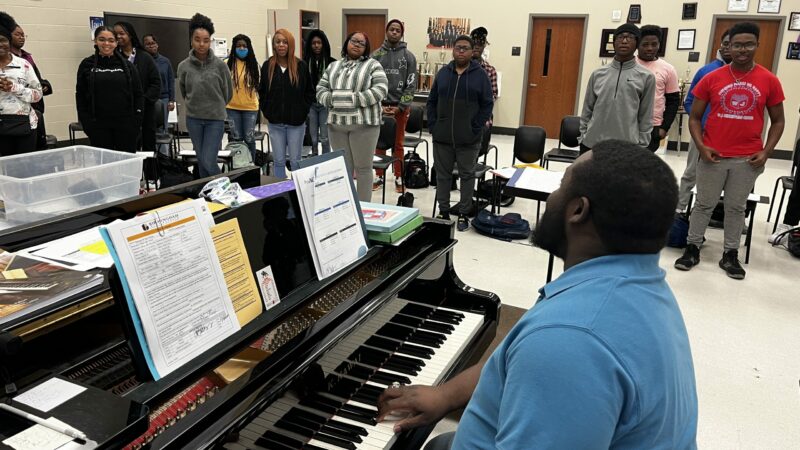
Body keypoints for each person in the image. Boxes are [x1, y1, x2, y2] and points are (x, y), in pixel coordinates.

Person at [377, 140, 698, 450]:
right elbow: (510, 357)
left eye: (561, 185)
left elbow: (555, 352)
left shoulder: (570, 338)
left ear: (577, 210)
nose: (553, 194)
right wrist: (445, 396)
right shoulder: (638, 286)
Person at [675, 22, 785, 279]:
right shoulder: (712, 77)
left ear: (757, 45)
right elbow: (694, 117)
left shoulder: (769, 80)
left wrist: (767, 151)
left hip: (747, 158)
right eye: (737, 44)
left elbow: (778, 121)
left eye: (748, 44)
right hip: (713, 155)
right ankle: (692, 247)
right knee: (703, 204)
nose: (742, 49)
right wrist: (702, 147)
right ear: (728, 47)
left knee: (736, 208)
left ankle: (730, 254)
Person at [427, 35, 493, 232]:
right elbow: (432, 101)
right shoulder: (444, 73)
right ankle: (444, 211)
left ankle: (464, 212)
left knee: (466, 175)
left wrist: (475, 127)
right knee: (443, 175)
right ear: (453, 50)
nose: (461, 51)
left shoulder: (480, 75)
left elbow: (487, 103)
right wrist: (433, 125)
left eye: (465, 48)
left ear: (472, 52)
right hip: (442, 137)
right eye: (458, 48)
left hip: (469, 138)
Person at [317, 31, 388, 201]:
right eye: (353, 41)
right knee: (343, 169)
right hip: (337, 126)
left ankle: (364, 209)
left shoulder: (373, 65)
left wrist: (354, 99)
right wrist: (334, 99)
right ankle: (346, 208)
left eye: (361, 43)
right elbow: (320, 90)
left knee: (363, 169)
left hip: (364, 126)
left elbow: (381, 89)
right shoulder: (333, 67)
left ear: (366, 48)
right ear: (346, 43)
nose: (356, 45)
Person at [676, 30, 732, 214]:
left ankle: (716, 214)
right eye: (725, 43)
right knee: (691, 172)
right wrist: (700, 124)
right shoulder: (706, 71)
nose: (728, 47)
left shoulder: (748, 76)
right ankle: (679, 209)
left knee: (728, 178)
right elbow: (690, 102)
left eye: (733, 43)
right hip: (702, 134)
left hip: (731, 138)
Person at [579, 23, 655, 153]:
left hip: (627, 146)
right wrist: (583, 136)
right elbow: (587, 109)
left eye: (630, 37)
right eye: (620, 37)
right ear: (614, 42)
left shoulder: (646, 77)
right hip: (592, 143)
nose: (624, 41)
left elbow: (646, 116)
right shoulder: (598, 74)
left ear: (637, 44)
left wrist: (641, 145)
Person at [177, 13, 232, 178]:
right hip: (193, 120)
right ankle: (206, 195)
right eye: (197, 39)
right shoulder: (183, 66)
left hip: (215, 120)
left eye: (206, 40)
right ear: (191, 40)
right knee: (201, 160)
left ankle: (225, 189)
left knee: (208, 160)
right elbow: (183, 91)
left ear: (210, 41)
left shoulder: (220, 66)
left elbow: (228, 93)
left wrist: (216, 106)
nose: (201, 44)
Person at [75, 26, 143, 153]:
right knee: (104, 165)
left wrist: (136, 122)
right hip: (98, 126)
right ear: (95, 41)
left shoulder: (128, 66)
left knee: (126, 165)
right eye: (102, 39)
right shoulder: (86, 65)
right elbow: (80, 95)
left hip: (126, 125)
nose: (106, 43)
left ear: (116, 43)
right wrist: (86, 123)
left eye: (111, 40)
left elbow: (138, 94)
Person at [258, 29, 314, 179]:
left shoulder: (300, 66)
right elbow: (262, 92)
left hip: (297, 124)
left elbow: (309, 92)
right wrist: (267, 111)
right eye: (278, 42)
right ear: (274, 45)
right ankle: (280, 194)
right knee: (278, 161)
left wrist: (302, 111)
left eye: (285, 42)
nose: (281, 45)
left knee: (296, 161)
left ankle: (297, 194)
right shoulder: (267, 66)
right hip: (276, 123)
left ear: (290, 44)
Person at [372, 19, 417, 193]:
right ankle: (379, 175)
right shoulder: (375, 56)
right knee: (379, 143)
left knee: (398, 144)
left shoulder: (409, 57)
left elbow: (411, 84)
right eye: (392, 29)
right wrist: (378, 104)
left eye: (398, 30)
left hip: (400, 108)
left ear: (402, 33)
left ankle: (398, 176)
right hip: (379, 107)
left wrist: (402, 105)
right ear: (386, 31)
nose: (394, 32)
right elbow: (370, 82)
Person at [114, 22, 161, 153]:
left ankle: (150, 173)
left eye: (121, 33)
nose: (118, 36)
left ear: (130, 34)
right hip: (123, 112)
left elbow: (156, 83)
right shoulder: (114, 58)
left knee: (148, 147)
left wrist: (142, 101)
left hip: (146, 110)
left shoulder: (145, 57)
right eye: (116, 34)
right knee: (126, 148)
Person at [0, 17, 42, 156]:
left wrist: (14, 87)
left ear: (9, 41)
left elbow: (37, 95)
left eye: (3, 40)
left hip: (23, 126)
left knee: (25, 167)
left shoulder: (23, 64)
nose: (0, 45)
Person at [636, 25, 680, 152]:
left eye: (654, 44)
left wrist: (664, 127)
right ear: (638, 45)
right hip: (627, 123)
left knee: (644, 164)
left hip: (652, 126)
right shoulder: (629, 64)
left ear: (659, 45)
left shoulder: (668, 69)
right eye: (645, 44)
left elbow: (673, 101)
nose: (650, 48)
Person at [9, 23, 52, 150]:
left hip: (34, 110)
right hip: (13, 114)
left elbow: (37, 80)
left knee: (35, 149)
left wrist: (45, 85)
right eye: (18, 34)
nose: (22, 37)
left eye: (23, 35)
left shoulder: (27, 57)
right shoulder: (6, 59)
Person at [227, 34, 260, 159]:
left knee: (249, 138)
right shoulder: (227, 64)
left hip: (250, 108)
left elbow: (259, 86)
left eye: (244, 46)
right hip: (232, 107)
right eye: (238, 46)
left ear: (249, 48)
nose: (241, 48)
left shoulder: (254, 65)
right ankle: (238, 164)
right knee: (236, 138)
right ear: (234, 48)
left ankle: (251, 164)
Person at [303, 29, 336, 156]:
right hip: (311, 104)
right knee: (313, 138)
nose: (316, 45)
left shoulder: (332, 62)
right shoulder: (304, 63)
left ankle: (327, 160)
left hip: (325, 105)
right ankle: (315, 157)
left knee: (325, 138)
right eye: (313, 43)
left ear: (324, 44)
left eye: (319, 43)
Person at [142, 33, 175, 153]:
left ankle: (163, 158)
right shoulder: (142, 61)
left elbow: (171, 81)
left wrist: (172, 100)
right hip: (148, 100)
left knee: (162, 130)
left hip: (164, 99)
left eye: (153, 43)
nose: (151, 46)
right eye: (147, 44)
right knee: (149, 129)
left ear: (157, 44)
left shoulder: (165, 61)